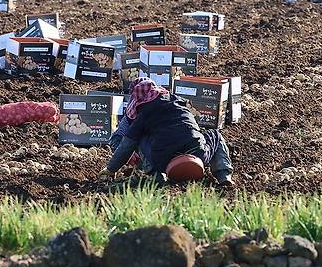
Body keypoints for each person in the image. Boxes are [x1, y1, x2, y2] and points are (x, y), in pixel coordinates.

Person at [99, 77, 234, 186]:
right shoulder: (178, 103)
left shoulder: (143, 115)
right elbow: (193, 128)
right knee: (215, 135)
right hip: (198, 152)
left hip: (163, 160)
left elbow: (126, 146)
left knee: (137, 139)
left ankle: (156, 175)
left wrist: (111, 170)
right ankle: (224, 175)